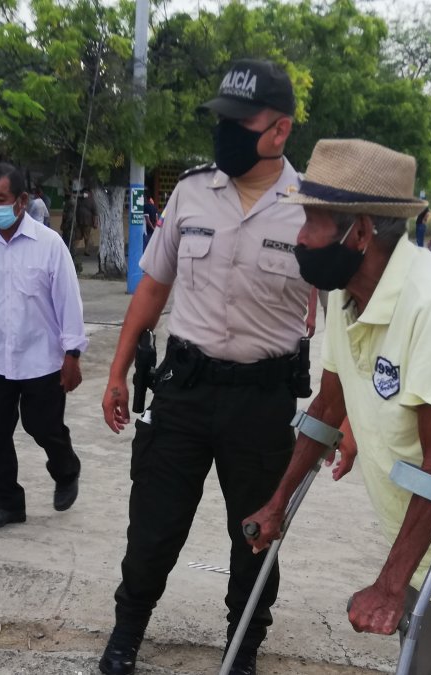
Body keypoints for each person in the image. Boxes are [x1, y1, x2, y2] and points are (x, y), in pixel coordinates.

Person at [244, 139, 431, 675]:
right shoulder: (346, 294)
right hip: (421, 547)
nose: (301, 237)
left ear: (358, 231)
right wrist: (278, 503)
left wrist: (389, 585)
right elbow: (328, 406)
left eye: (313, 221)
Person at [97, 58, 311, 675]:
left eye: (242, 123)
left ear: (280, 131)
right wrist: (116, 370)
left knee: (255, 537)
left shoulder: (311, 210)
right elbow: (152, 288)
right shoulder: (192, 192)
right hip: (184, 393)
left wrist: (344, 411)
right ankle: (125, 635)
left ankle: (242, 647)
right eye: (224, 121)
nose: (227, 134)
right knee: (153, 530)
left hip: (263, 403)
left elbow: (344, 314)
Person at [0, 162, 87, 529]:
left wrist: (72, 354)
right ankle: (8, 503)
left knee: (43, 427)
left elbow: (68, 301)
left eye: (1, 199)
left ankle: (66, 469)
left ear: (21, 201)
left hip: (42, 359)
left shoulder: (49, 245)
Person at [75, 189, 98, 255]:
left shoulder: (91, 201)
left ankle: (86, 250)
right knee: (78, 236)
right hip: (80, 221)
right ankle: (74, 250)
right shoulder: (80, 200)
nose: (85, 194)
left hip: (86, 222)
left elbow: (95, 213)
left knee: (86, 236)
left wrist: (95, 222)